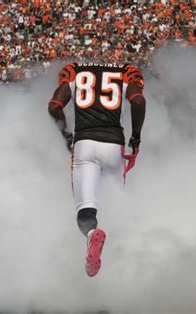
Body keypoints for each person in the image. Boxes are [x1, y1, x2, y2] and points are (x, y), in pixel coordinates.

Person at [48, 62, 146, 277]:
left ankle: (93, 234)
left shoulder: (75, 72)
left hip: (85, 144)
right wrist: (136, 138)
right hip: (115, 145)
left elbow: (55, 106)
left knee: (86, 210)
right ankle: (126, 270)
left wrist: (67, 136)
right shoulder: (123, 73)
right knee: (116, 207)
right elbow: (138, 101)